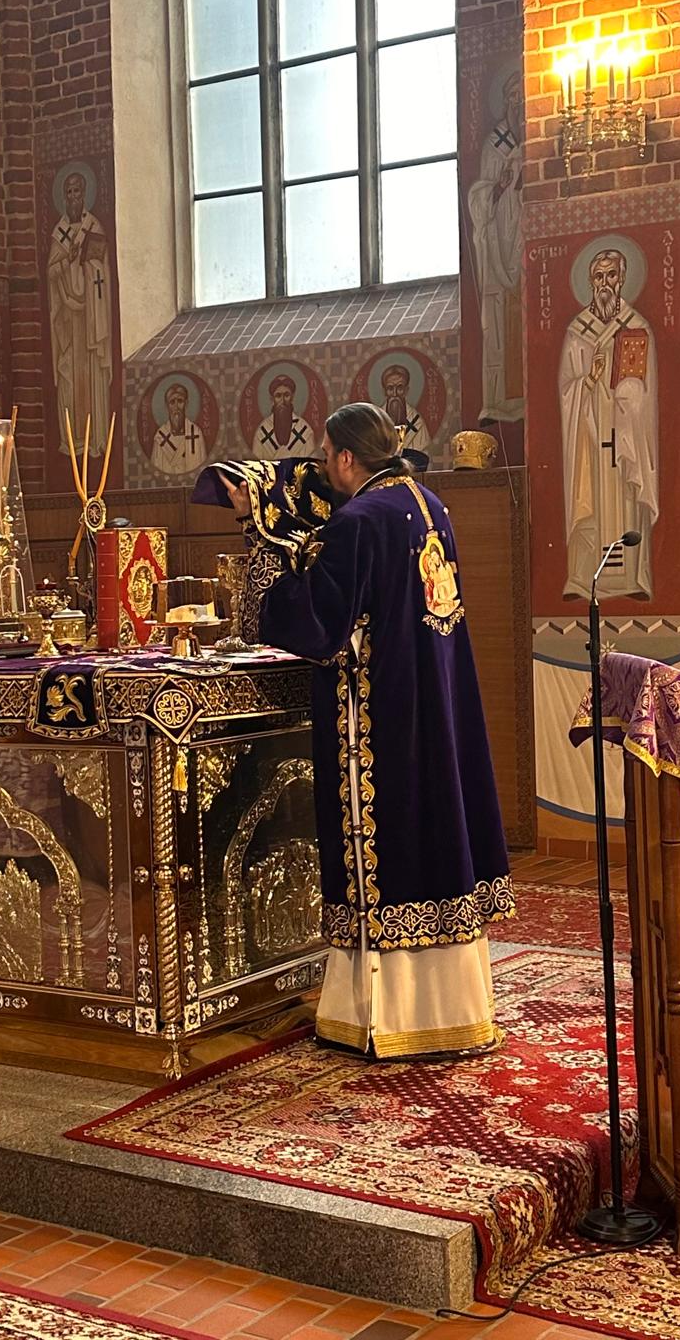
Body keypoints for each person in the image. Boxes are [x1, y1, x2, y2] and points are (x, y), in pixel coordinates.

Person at [220, 403, 513, 1060]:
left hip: (379, 719)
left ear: (347, 457)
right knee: (434, 833)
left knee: (392, 845)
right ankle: (451, 1011)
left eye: (328, 456)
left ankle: (389, 1017)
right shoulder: (428, 504)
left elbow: (314, 622)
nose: (326, 468)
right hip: (432, 702)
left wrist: (258, 537)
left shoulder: (361, 519)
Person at [559, 247, 657, 598]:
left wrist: (627, 395)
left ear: (622, 278)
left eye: (611, 275)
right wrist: (588, 380)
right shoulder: (577, 332)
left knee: (626, 501)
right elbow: (566, 390)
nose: (605, 284)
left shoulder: (636, 327)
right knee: (590, 502)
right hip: (589, 437)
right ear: (590, 282)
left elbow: (646, 391)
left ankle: (631, 579)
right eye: (598, 277)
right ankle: (584, 578)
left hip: (624, 435)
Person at [467, 70, 524, 423]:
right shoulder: (495, 142)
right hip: (500, 235)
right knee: (500, 317)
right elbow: (479, 196)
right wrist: (500, 188)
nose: (519, 102)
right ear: (505, 101)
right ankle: (500, 402)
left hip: (525, 232)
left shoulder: (536, 136)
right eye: (513, 96)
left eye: (523, 95)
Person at [48, 172, 113, 458]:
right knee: (69, 377)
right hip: (68, 321)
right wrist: (68, 259)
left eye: (77, 191)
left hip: (91, 319)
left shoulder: (93, 227)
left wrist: (87, 265)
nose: (73, 196)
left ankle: (95, 437)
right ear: (64, 197)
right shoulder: (59, 232)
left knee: (91, 376)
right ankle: (73, 438)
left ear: (84, 194)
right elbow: (51, 273)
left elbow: (102, 270)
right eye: (69, 192)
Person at [150, 381, 206, 475]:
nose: (176, 407)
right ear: (167, 406)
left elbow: (203, 470)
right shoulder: (160, 437)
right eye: (172, 402)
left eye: (180, 401)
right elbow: (155, 472)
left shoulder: (196, 433)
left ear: (186, 403)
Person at [252, 374, 313, 459]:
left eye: (286, 395)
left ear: (292, 398)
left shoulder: (305, 431)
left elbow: (310, 461)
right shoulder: (261, 433)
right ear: (272, 399)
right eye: (278, 396)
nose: (282, 401)